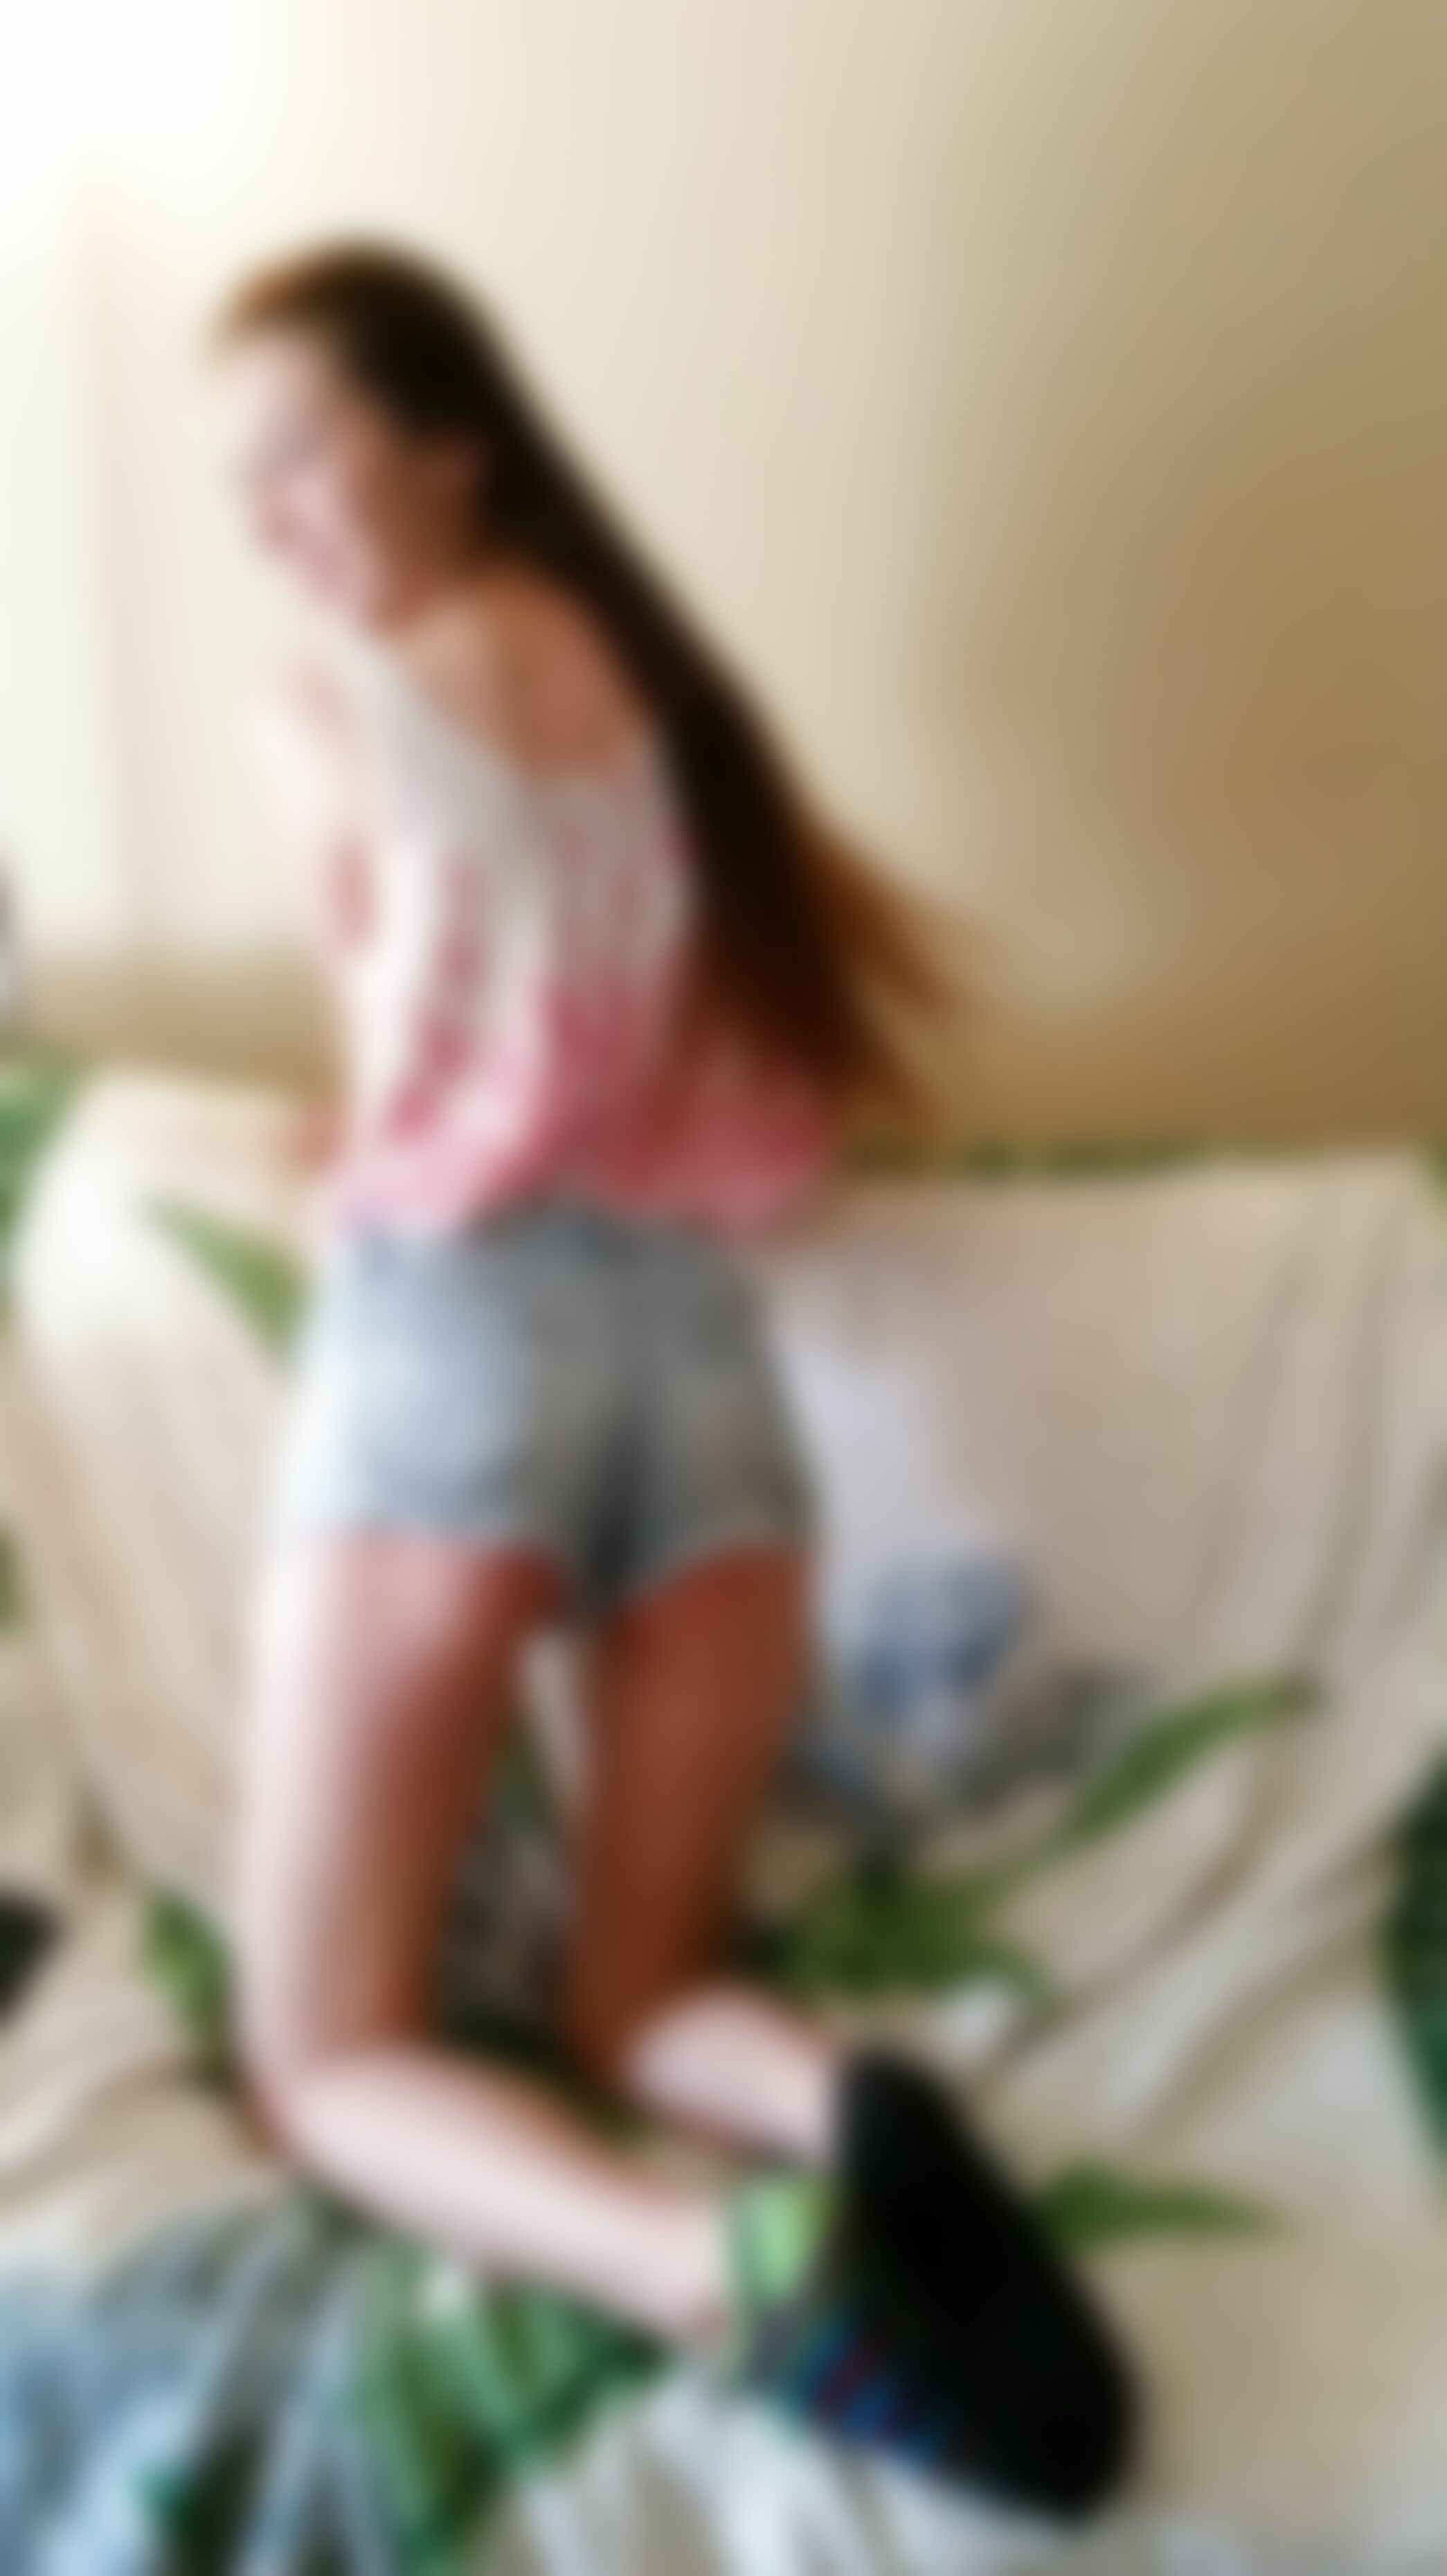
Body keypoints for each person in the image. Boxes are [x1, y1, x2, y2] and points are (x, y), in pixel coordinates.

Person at [211, 240, 1133, 2514]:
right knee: (640, 2002)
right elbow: (671, 1071)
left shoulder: (331, 690)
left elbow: (410, 1062)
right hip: (708, 1380)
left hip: (461, 1350)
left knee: (319, 2060)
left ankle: (710, 2268)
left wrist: (360, 1169)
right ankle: (846, 2110)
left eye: (299, 456)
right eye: (239, 485)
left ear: (453, 444)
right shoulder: (658, 694)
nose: (267, 521)